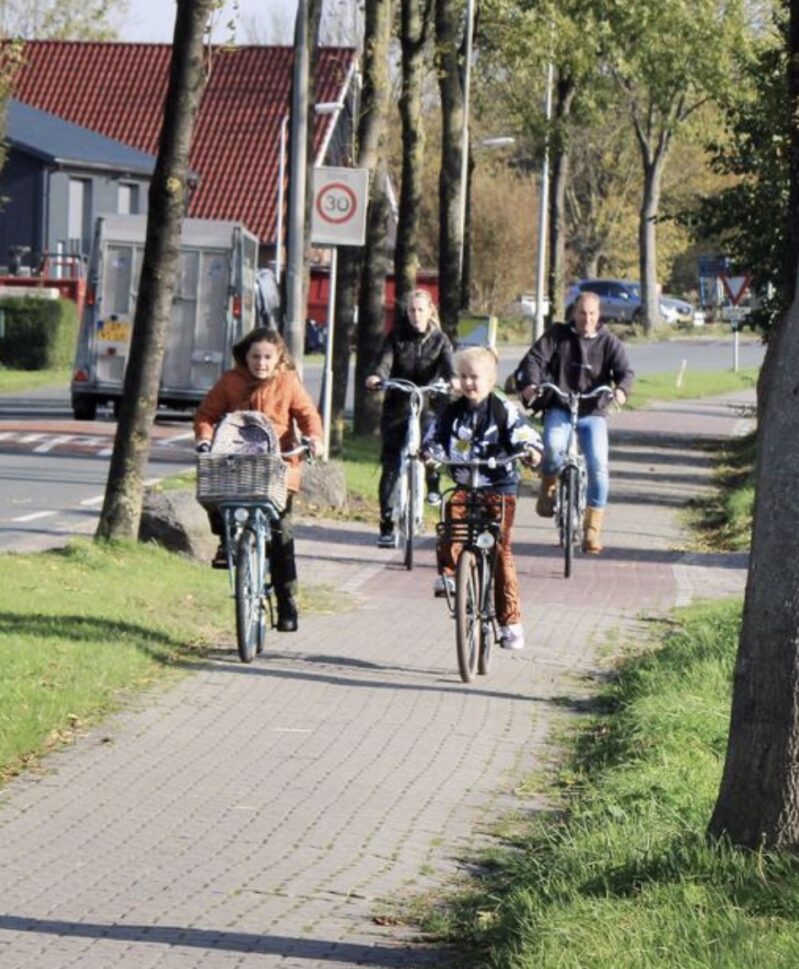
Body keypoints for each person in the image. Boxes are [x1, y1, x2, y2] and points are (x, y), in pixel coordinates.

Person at [194, 327, 323, 632]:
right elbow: (206, 415)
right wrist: (204, 439)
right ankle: (227, 543)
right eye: (255, 357)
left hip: (277, 467)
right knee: (213, 495)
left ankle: (286, 603)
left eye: (267, 357)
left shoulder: (288, 382)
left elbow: (308, 415)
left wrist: (315, 438)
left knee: (281, 537)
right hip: (235, 464)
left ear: (279, 358)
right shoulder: (230, 381)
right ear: (246, 356)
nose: (261, 363)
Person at [423, 346, 542, 651]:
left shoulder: (502, 409)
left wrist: (530, 451)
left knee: (501, 550)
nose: (468, 383)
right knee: (453, 521)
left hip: (499, 488)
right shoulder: (451, 410)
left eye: (474, 377)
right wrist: (430, 454)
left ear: (490, 380)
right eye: (463, 377)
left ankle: (510, 623)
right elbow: (434, 436)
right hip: (464, 484)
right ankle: (451, 574)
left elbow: (523, 433)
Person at [514, 291, 634, 554]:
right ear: (574, 313)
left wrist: (622, 390)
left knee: (598, 465)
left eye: (592, 313)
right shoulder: (557, 335)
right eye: (582, 313)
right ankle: (548, 485)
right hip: (560, 406)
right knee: (554, 448)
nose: (587, 319)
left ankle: (592, 529)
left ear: (599, 314)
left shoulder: (609, 342)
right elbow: (535, 359)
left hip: (593, 411)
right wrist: (531, 385)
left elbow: (625, 371)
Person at [365, 288, 456, 548]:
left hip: (427, 404)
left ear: (430, 312)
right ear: (406, 313)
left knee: (430, 442)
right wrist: (376, 377)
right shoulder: (396, 337)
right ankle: (385, 524)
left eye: (421, 310)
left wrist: (452, 381)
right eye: (412, 310)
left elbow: (449, 365)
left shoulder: (440, 340)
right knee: (391, 464)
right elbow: (384, 362)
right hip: (397, 406)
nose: (416, 315)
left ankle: (433, 480)